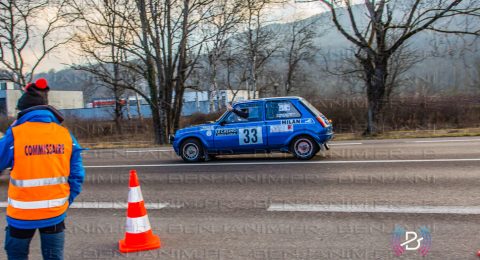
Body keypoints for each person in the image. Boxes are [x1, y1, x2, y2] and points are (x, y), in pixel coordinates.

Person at [0, 78, 85, 260]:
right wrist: (64, 201)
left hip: (20, 217)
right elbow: (77, 175)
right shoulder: (64, 135)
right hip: (54, 214)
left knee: (16, 256)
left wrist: (10, 133)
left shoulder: (15, 134)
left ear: (23, 111)